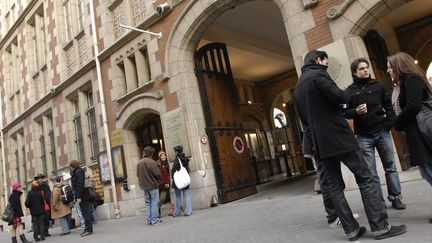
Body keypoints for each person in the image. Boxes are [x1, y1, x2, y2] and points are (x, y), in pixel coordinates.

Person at [294, 50, 406, 241]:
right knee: (366, 177)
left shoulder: (297, 88)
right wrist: (346, 95)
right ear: (318, 60)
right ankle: (380, 227)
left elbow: (304, 121)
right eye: (325, 62)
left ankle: (351, 230)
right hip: (339, 138)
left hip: (320, 144)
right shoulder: (319, 75)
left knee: (334, 187)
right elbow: (341, 98)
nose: (326, 65)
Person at [343, 58, 406, 210]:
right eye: (361, 69)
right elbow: (345, 112)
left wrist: (388, 125)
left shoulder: (379, 85)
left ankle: (396, 197)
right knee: (371, 171)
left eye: (366, 67)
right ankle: (379, 202)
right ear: (354, 72)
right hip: (363, 136)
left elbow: (389, 107)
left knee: (390, 166)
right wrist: (356, 112)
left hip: (382, 132)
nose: (365, 70)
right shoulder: (349, 91)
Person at [387, 51, 432, 222]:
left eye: (390, 66)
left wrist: (397, 123)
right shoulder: (404, 83)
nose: (388, 70)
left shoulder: (412, 80)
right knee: (426, 172)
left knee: (429, 171)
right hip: (417, 132)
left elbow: (413, 106)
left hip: (422, 131)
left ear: (399, 66)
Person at [302, 127, 359, 228]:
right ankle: (333, 217)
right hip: (319, 143)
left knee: (331, 181)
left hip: (321, 141)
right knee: (327, 181)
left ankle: (342, 215)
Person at [137, 146, 161, 226]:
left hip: (144, 186)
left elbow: (137, 175)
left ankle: (149, 220)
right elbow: (157, 174)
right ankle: (154, 220)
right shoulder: (152, 162)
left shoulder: (139, 163)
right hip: (153, 185)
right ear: (151, 153)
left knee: (148, 203)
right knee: (154, 202)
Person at [69, 160, 93, 237]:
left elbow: (80, 185)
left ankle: (89, 230)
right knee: (84, 213)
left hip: (83, 196)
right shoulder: (78, 171)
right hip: (82, 195)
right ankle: (87, 229)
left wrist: (78, 197)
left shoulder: (78, 172)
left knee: (86, 213)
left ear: (72, 166)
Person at [171, 145, 192, 217]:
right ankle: (188, 211)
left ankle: (176, 213)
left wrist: (172, 176)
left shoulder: (177, 159)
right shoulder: (184, 158)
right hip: (185, 179)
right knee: (187, 195)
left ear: (176, 152)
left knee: (178, 196)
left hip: (179, 181)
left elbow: (174, 170)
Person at [157, 150, 170, 217]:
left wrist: (168, 183)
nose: (163, 157)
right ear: (159, 157)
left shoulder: (167, 163)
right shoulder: (158, 164)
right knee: (158, 199)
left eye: (164, 155)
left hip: (165, 184)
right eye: (161, 156)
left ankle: (156, 210)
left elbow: (168, 174)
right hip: (159, 184)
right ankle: (158, 213)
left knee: (162, 199)